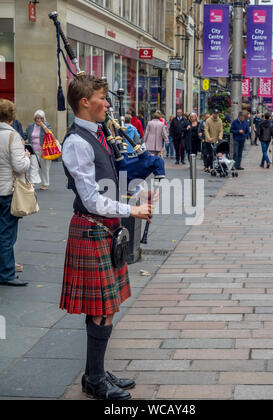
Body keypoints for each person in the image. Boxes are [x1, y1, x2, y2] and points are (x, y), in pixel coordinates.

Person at [59, 74, 156, 401]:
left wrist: (135, 198)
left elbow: (108, 182)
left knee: (106, 306)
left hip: (105, 229)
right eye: (102, 97)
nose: (108, 104)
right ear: (85, 101)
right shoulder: (76, 142)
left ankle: (95, 373)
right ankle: (96, 380)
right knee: (101, 307)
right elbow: (90, 198)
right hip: (91, 227)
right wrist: (132, 212)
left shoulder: (99, 134)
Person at [0, 99, 31, 287]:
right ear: (11, 117)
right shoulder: (13, 137)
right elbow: (20, 167)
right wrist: (26, 157)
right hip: (7, 191)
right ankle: (6, 272)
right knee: (6, 234)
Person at [24, 110, 52, 190]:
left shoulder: (47, 125)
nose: (38, 120)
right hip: (33, 150)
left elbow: (49, 133)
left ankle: (45, 183)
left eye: (40, 118)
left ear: (43, 118)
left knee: (45, 167)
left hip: (44, 150)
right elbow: (25, 135)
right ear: (34, 118)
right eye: (37, 118)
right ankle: (33, 182)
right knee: (33, 166)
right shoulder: (30, 126)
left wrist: (42, 125)